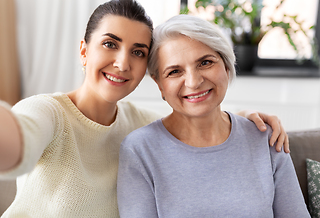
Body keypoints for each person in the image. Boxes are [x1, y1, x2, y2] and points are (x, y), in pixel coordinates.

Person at [0, 0, 288, 218]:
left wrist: (243, 119)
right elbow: (14, 144)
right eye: (110, 44)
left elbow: (195, 120)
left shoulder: (138, 125)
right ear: (84, 51)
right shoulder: (48, 113)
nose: (122, 62)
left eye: (138, 51)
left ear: (148, 67)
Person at [117, 15, 309, 217]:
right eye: (174, 71)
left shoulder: (266, 138)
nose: (193, 82)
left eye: (205, 63)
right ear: (159, 84)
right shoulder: (139, 150)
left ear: (226, 66)